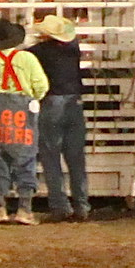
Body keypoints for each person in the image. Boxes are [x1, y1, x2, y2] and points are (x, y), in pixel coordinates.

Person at [0, 0, 49, 225]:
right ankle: (25, 209)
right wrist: (33, 98)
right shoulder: (27, 58)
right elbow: (41, 86)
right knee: (25, 157)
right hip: (22, 109)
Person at [27, 15, 88, 222]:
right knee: (76, 158)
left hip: (52, 102)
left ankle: (60, 206)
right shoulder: (73, 50)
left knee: (51, 156)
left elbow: (23, 55)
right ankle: (82, 205)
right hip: (74, 102)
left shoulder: (38, 52)